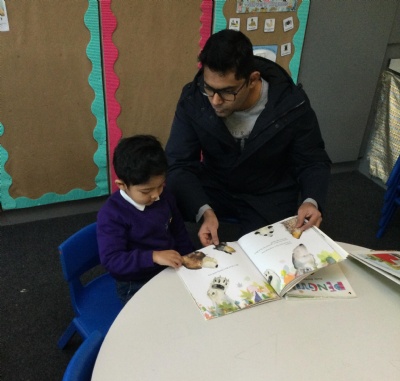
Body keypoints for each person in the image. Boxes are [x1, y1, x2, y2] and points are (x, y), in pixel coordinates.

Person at [166, 29, 331, 247]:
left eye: (227, 92)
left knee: (266, 256)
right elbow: (179, 163)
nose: (215, 101)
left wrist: (312, 200)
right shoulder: (193, 98)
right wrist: (203, 210)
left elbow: (312, 160)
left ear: (253, 79)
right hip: (216, 184)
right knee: (156, 202)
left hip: (268, 191)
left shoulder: (290, 103)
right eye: (209, 88)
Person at [97, 135, 194, 305]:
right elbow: (113, 261)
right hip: (135, 280)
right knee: (162, 313)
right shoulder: (112, 214)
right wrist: (153, 256)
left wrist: (189, 255)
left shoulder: (165, 197)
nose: (156, 195)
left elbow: (178, 230)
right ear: (122, 185)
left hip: (168, 267)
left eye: (161, 185)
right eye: (146, 191)